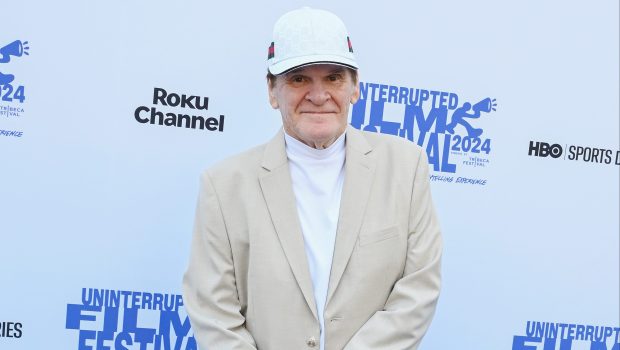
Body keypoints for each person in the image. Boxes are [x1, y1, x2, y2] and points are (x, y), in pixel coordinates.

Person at [183, 7, 442, 350]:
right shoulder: (223, 186)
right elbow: (215, 313)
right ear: (272, 91)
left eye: (333, 78)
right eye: (299, 79)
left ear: (355, 88)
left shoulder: (406, 167)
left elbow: (418, 291)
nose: (318, 96)